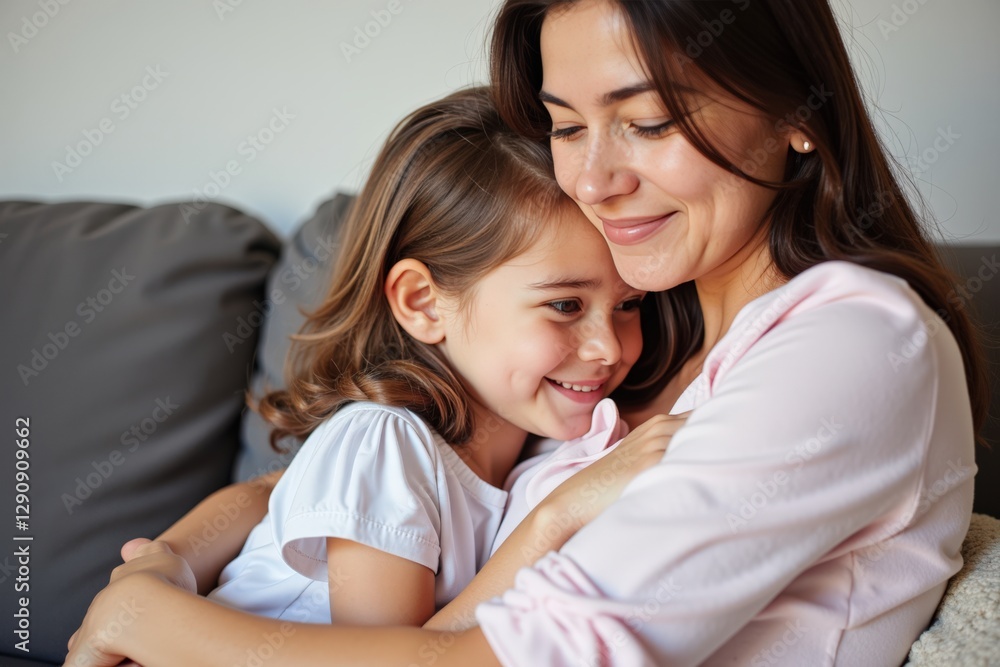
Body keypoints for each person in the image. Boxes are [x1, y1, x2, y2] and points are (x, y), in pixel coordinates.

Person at [66, 0, 987, 665]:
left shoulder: (851, 344)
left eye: (648, 119)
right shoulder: (632, 347)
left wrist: (150, 621)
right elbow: (300, 485)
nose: (594, 180)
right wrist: (167, 565)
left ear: (797, 113)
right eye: (565, 126)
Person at [178, 85, 660, 627]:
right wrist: (557, 518)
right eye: (565, 305)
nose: (610, 347)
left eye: (630, 304)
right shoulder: (383, 441)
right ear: (425, 303)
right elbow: (397, 658)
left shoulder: (542, 448)